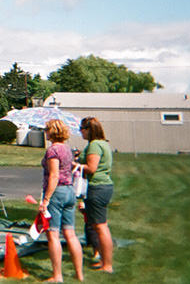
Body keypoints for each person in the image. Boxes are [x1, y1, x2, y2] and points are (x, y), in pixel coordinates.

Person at [39, 119, 83, 282]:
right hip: (70, 191)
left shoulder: (52, 151)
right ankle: (79, 274)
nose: (45, 132)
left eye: (46, 129)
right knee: (70, 234)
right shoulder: (67, 149)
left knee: (53, 235)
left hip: (56, 192)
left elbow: (54, 175)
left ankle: (57, 275)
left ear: (52, 132)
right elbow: (70, 167)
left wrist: (46, 200)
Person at [78, 116, 114, 273]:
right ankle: (103, 261)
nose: (81, 132)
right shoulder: (102, 144)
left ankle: (107, 265)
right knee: (97, 225)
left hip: (97, 187)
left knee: (101, 226)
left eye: (82, 129)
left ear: (88, 130)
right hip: (103, 186)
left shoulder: (94, 145)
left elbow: (91, 168)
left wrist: (74, 165)